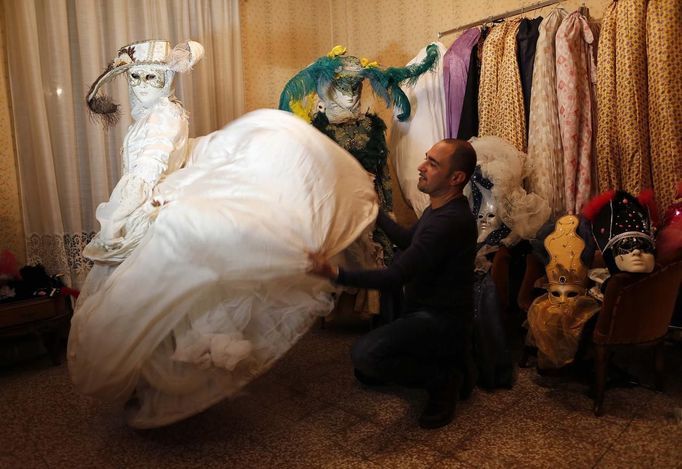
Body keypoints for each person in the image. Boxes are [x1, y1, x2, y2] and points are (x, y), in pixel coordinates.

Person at [308, 138, 478, 429]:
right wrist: (376, 212)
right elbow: (409, 240)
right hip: (419, 309)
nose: (421, 167)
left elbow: (394, 277)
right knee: (367, 368)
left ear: (456, 178)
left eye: (432, 163)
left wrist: (335, 273)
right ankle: (426, 361)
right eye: (426, 158)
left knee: (364, 355)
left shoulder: (449, 222)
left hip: (440, 319)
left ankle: (444, 380)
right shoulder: (440, 209)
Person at [82, 39, 203, 265]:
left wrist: (114, 221)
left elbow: (145, 174)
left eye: (150, 76)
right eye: (135, 77)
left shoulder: (164, 117)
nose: (142, 85)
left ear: (166, 77)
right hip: (144, 202)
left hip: (151, 206)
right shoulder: (151, 116)